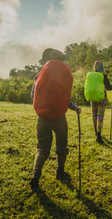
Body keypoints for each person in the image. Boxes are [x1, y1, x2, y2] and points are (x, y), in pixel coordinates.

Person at [29, 48, 81, 189]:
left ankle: (35, 175)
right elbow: (66, 99)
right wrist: (76, 108)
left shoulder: (40, 75)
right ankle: (60, 171)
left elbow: (33, 96)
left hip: (43, 118)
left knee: (42, 148)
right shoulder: (63, 75)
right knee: (62, 145)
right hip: (59, 118)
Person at [88, 61, 112, 143]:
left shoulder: (91, 76)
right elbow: (108, 88)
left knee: (94, 116)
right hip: (102, 99)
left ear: (94, 67)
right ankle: (99, 135)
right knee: (100, 117)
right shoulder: (103, 76)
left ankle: (96, 132)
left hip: (93, 99)